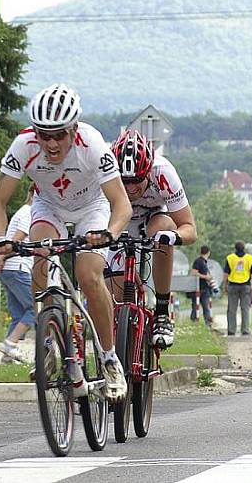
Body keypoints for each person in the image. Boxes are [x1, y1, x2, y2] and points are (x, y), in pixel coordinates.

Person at [0, 83, 133, 402]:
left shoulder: (92, 145)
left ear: (74, 130)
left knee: (88, 275)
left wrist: (110, 233)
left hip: (93, 208)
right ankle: (51, 339)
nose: (51, 143)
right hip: (48, 205)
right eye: (44, 134)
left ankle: (109, 359)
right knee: (41, 256)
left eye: (59, 135)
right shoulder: (23, 146)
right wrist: (1, 240)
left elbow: (121, 204)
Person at [107, 129, 197, 348]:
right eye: (124, 181)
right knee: (117, 297)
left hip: (153, 217)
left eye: (137, 180)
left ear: (148, 171)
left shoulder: (163, 173)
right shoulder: (105, 169)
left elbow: (189, 229)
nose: (130, 188)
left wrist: (172, 237)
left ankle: (162, 312)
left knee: (164, 230)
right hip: (119, 220)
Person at [0, 184, 36, 364]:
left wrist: (0, 259)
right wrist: (0, 257)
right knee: (34, 308)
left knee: (18, 313)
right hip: (18, 267)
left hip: (9, 269)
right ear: (33, 194)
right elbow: (17, 239)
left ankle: (7, 357)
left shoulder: (21, 212)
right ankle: (10, 343)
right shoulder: (29, 213)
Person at [223, 241, 252, 335]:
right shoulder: (250, 258)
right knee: (245, 309)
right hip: (245, 286)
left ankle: (231, 330)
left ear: (235, 248)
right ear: (244, 248)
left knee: (231, 309)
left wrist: (224, 286)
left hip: (233, 285)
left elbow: (226, 274)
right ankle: (245, 329)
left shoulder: (230, 258)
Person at [190, 245, 214, 326]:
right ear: (208, 252)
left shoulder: (204, 262)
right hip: (199, 288)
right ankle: (194, 322)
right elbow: (194, 272)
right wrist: (205, 277)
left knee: (205, 307)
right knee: (196, 306)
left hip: (204, 287)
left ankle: (208, 323)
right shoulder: (199, 261)